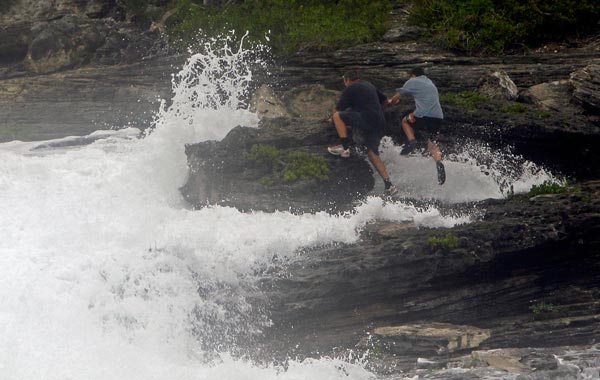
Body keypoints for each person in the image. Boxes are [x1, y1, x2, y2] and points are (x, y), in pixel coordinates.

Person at [328, 69, 397, 195]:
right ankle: (389, 185)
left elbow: (338, 110)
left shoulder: (350, 88)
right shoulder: (369, 85)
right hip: (380, 122)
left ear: (347, 80)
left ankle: (345, 148)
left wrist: (330, 119)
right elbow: (386, 101)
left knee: (337, 116)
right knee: (372, 153)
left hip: (366, 118)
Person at [388, 67, 446, 185]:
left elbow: (397, 96)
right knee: (432, 144)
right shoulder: (430, 82)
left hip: (422, 116)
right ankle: (439, 162)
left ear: (413, 75)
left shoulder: (412, 81)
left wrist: (391, 102)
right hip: (438, 117)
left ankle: (412, 141)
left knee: (405, 121)